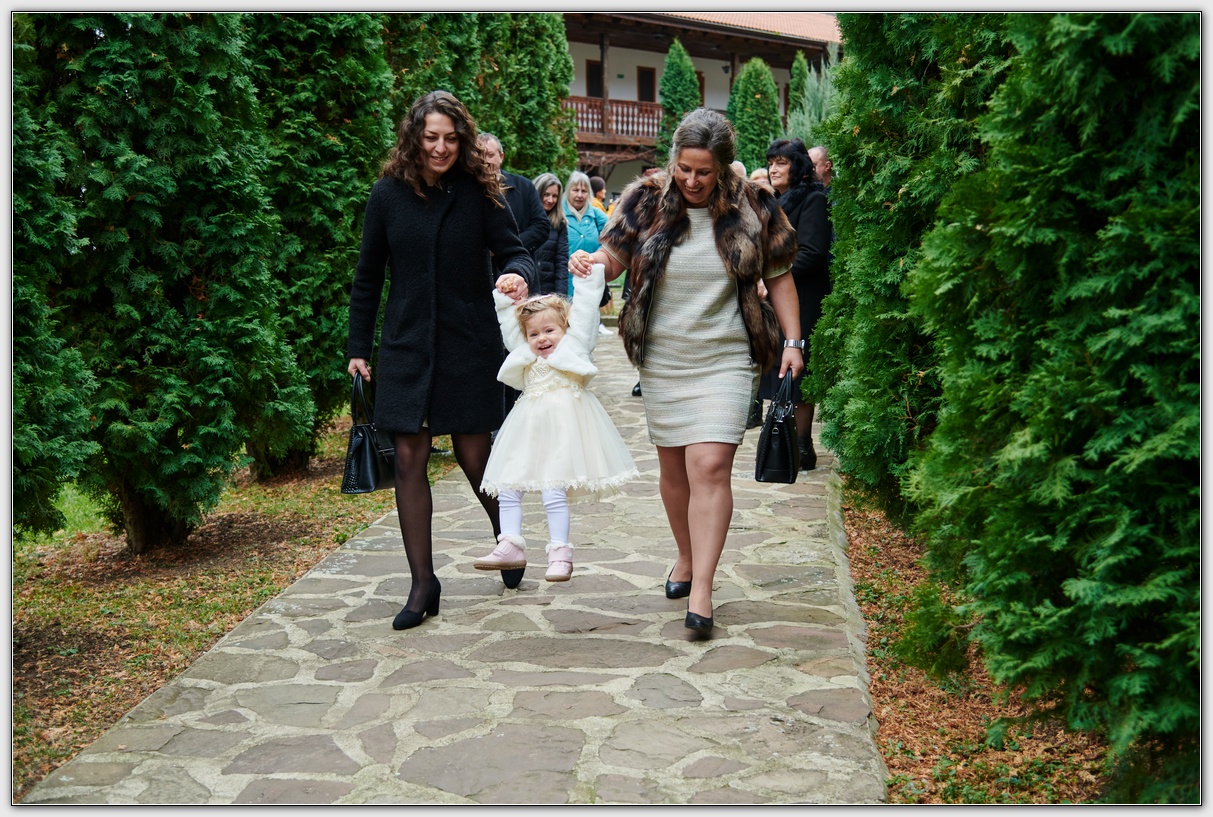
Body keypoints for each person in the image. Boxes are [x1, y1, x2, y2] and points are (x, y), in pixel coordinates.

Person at [569, 107, 803, 637]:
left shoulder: (755, 206)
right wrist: (591, 263)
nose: (692, 181)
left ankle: (703, 590)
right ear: (673, 160)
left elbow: (780, 276)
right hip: (663, 358)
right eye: (684, 169)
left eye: (704, 172)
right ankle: (686, 555)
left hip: (726, 355)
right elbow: (612, 256)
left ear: (723, 168)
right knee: (674, 470)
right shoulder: (646, 200)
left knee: (710, 465)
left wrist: (793, 342)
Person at [347, 90, 536, 631]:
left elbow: (515, 251)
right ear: (414, 137)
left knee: (476, 456)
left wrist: (517, 275)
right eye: (431, 137)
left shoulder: (479, 192)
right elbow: (367, 276)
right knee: (409, 458)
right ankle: (422, 582)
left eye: (451, 139)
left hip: (467, 342)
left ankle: (508, 539)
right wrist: (358, 348)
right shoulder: (386, 195)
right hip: (406, 344)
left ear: (463, 140)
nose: (440, 148)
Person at [475, 264, 639, 581]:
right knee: (507, 485)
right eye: (534, 334)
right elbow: (510, 327)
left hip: (565, 428)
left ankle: (560, 553)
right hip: (527, 428)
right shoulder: (525, 352)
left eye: (550, 330)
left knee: (553, 490)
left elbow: (586, 311)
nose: (542, 338)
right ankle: (509, 544)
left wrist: (587, 277)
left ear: (566, 328)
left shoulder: (575, 345)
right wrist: (506, 297)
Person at [760, 137, 832, 470]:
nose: (773, 169)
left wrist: (772, 278)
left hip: (803, 298)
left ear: (798, 165)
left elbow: (813, 252)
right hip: (776, 299)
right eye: (771, 163)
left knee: (798, 375)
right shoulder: (777, 200)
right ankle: (784, 442)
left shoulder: (814, 198)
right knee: (778, 370)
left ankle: (802, 447)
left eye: (782, 163)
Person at [563, 171, 608, 299]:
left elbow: (610, 242)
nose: (579, 195)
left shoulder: (597, 216)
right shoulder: (558, 213)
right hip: (562, 282)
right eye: (575, 190)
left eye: (584, 191)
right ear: (568, 191)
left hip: (589, 282)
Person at [531, 172, 569, 297]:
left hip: (548, 292)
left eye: (555, 196)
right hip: (524, 288)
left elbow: (561, 262)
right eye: (546, 194)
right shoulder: (523, 219)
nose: (550, 200)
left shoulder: (559, 224)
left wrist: (560, 296)